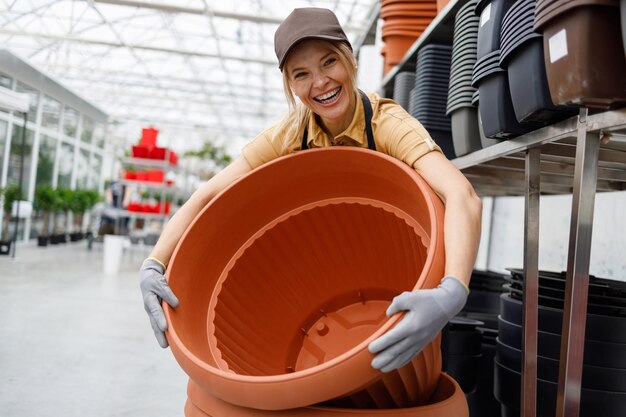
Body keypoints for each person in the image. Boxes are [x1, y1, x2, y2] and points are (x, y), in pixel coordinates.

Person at [140, 7, 482, 374]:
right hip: (332, 266)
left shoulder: (387, 124)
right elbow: (209, 195)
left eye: (328, 62)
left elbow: (462, 196)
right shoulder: (292, 134)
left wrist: (451, 291)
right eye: (301, 75)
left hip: (396, 269)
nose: (319, 83)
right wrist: (155, 263)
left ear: (350, 59)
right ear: (290, 85)